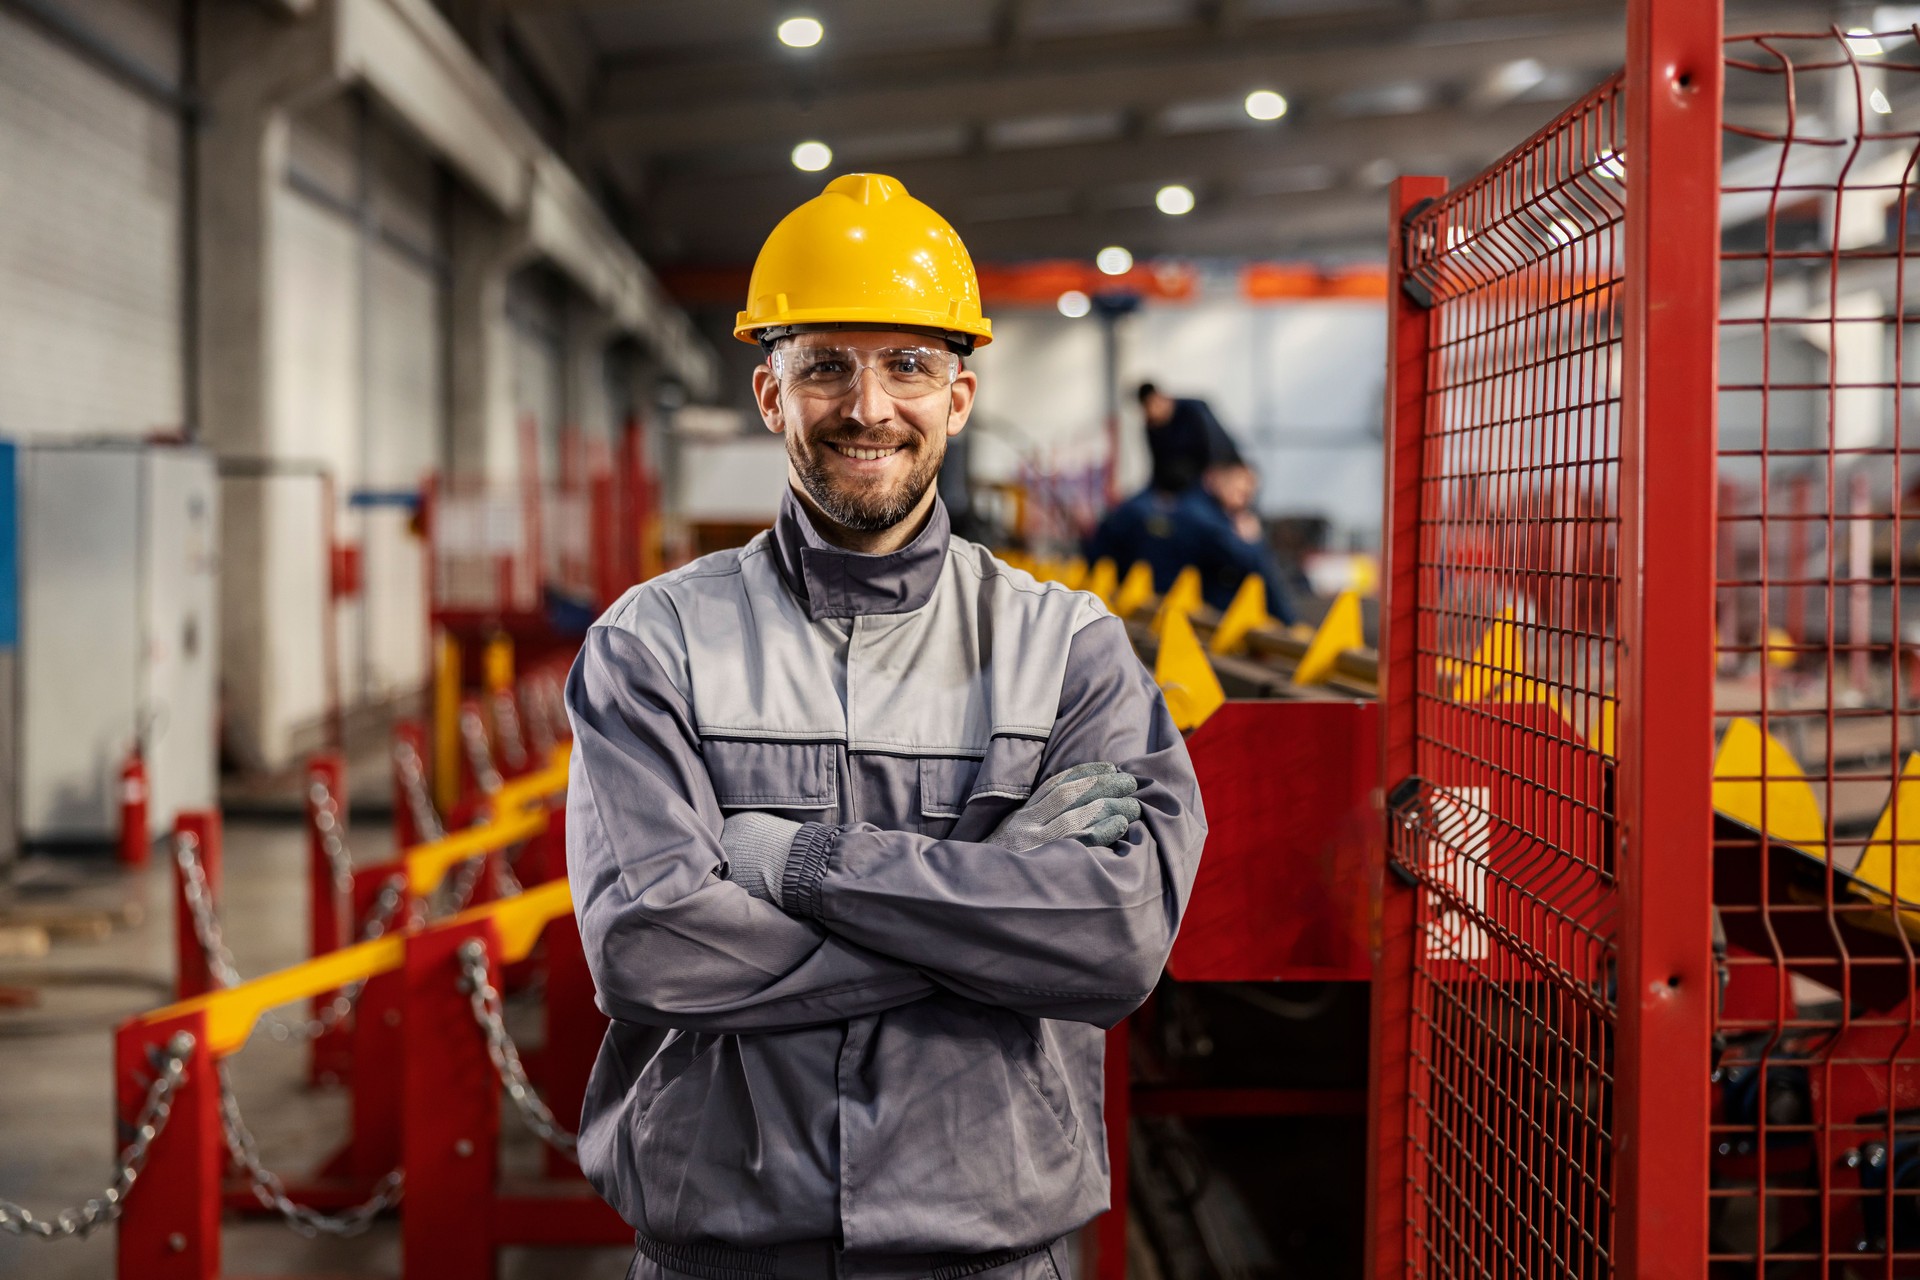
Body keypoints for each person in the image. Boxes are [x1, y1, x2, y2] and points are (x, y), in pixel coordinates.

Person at [565, 173, 1207, 1279]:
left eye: (908, 364)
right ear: (772, 393)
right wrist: (990, 906)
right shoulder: (653, 644)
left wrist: (803, 863)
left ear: (958, 396)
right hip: (725, 1242)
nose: (868, 406)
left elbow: (1114, 940)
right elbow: (650, 948)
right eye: (826, 365)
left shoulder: (1069, 649)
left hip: (987, 1242)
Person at [1087, 461, 1297, 623]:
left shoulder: (1159, 508)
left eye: (1249, 492)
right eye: (1240, 488)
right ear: (1214, 478)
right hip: (1178, 609)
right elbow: (1252, 565)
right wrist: (1253, 541)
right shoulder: (1205, 519)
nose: (1244, 498)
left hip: (1151, 602)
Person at [1138, 382, 1244, 495]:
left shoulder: (1194, 410)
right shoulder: (1153, 425)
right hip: (1178, 484)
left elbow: (1217, 444)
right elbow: (1157, 463)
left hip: (1211, 476)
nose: (1154, 412)